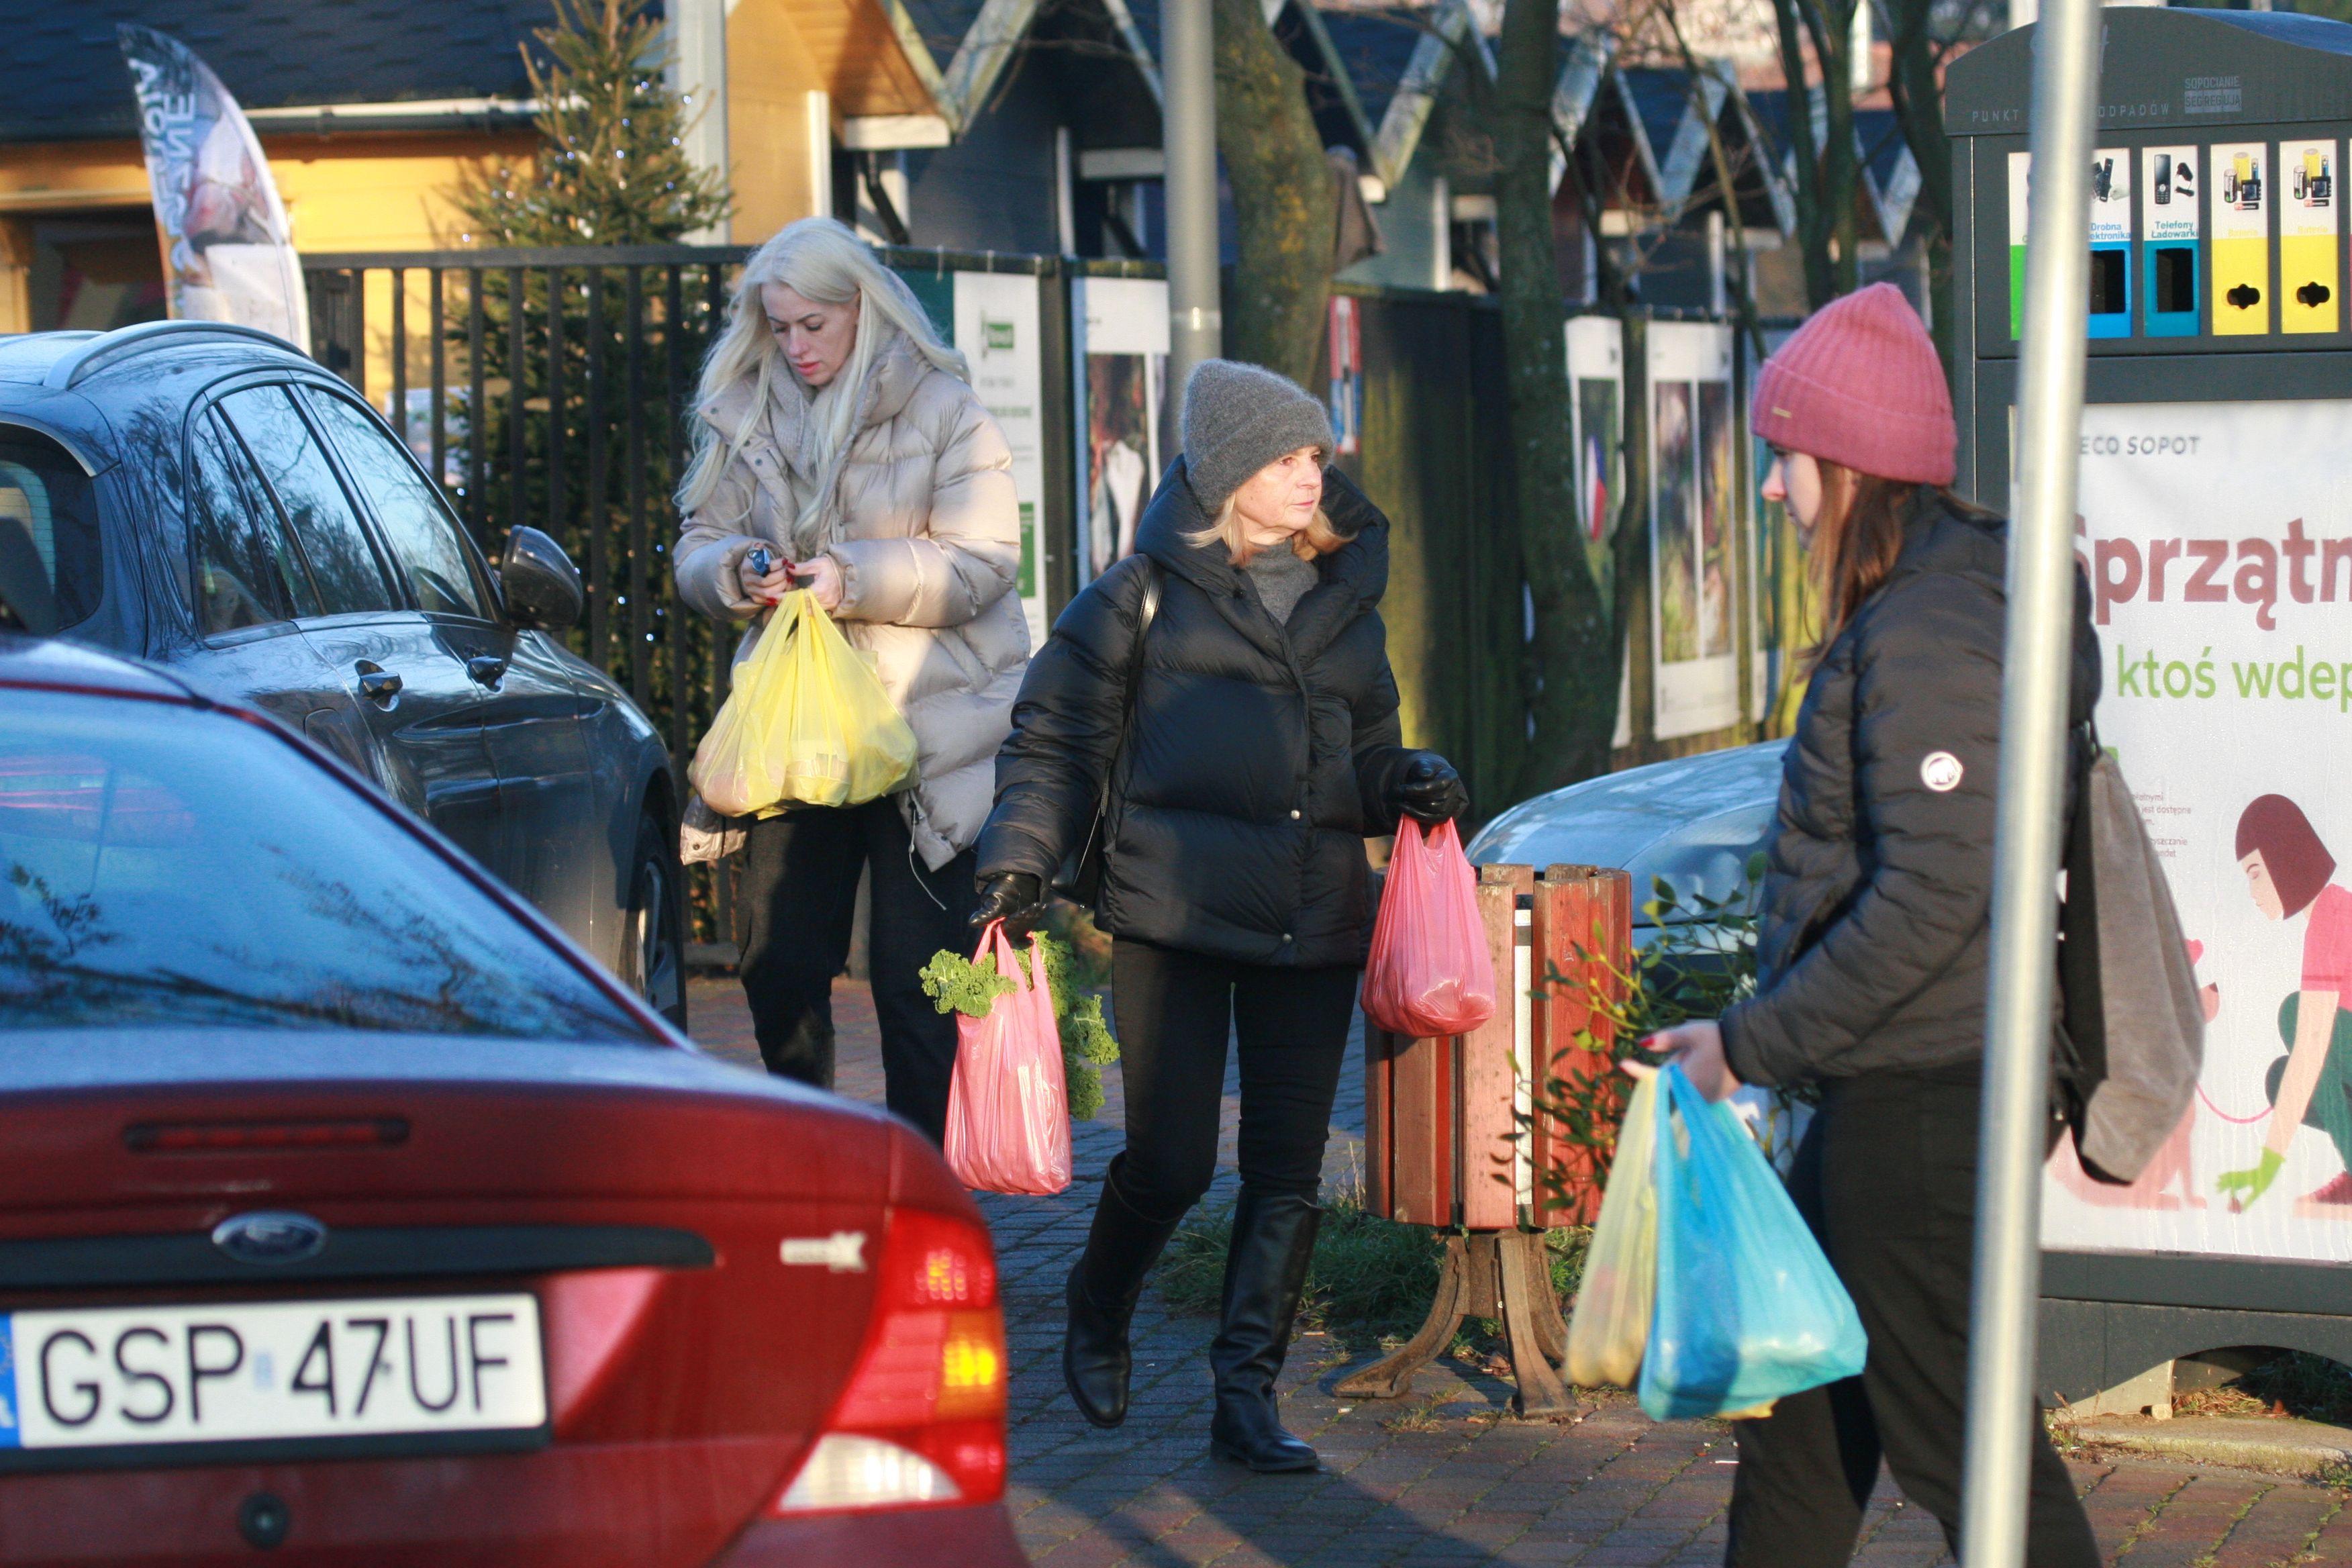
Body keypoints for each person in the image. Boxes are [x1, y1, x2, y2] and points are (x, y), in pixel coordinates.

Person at [1638, 284, 2104, 1568]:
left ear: (1846, 466)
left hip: (1922, 1100)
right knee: (1799, 1443)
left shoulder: (1930, 625)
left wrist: (1748, 1042)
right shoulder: (1921, 609)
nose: (1775, 492)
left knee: (1970, 1457)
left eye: (1785, 460)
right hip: (1886, 1092)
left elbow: (1937, 892)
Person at [971, 360, 1467, 1472]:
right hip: (1174, 912)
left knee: (1287, 1170)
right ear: (1227, 469)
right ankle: (1097, 1304)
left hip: (1313, 916)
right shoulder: (1132, 595)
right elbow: (1050, 742)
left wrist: (1411, 778)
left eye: (1314, 456)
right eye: (1288, 457)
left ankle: (1244, 1394)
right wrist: (1018, 861)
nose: (1311, 475)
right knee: (1172, 1161)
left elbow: (1370, 750)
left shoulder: (1346, 601)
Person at [673, 217, 1027, 1146]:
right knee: (776, 958)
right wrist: (736, 569)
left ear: (862, 308)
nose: (795, 347)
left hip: (929, 730)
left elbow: (984, 562)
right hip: (805, 728)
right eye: (780, 327)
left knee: (922, 986)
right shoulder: (745, 408)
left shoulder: (947, 410)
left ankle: (924, 1196)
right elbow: (697, 546)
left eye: (813, 326)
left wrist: (852, 577)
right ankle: (817, 1158)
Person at [2223, 793, 2352, 1213]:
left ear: (2286, 856)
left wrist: (2265, 1170)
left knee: (2297, 1017)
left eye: (2256, 873)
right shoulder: (2326, 916)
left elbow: (2314, 1047)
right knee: (2282, 1079)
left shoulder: (2335, 915)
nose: (2254, 891)